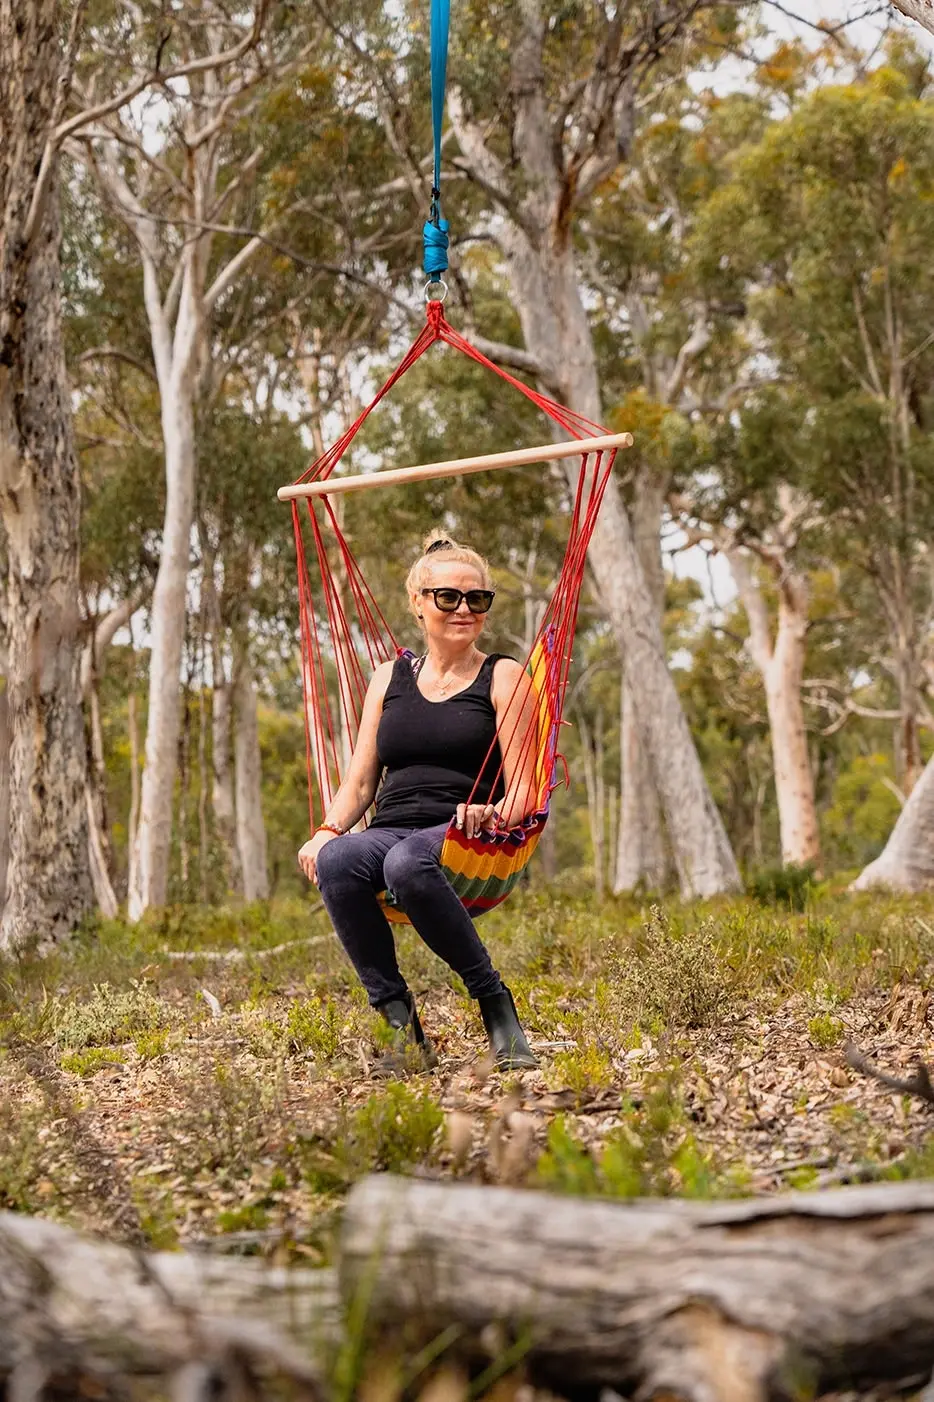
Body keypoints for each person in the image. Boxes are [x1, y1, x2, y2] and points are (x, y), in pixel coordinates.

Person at [298, 530, 540, 1072]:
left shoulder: (503, 676)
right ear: (418, 603)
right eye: (448, 597)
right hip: (392, 824)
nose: (464, 609)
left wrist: (495, 814)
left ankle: (495, 1003)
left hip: (466, 833)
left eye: (477, 599)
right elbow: (361, 783)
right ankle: (399, 1023)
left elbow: (526, 788)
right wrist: (328, 829)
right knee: (339, 859)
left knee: (405, 862)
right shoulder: (388, 678)